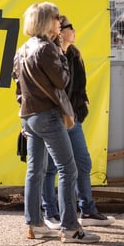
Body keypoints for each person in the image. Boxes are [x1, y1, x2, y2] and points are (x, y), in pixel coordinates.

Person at [12, 2, 100, 243]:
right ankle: (71, 229)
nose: (59, 21)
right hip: (48, 116)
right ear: (44, 21)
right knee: (68, 169)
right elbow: (62, 80)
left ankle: (34, 224)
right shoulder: (47, 49)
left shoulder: (22, 49)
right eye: (55, 17)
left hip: (29, 116)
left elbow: (18, 88)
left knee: (35, 171)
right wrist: (61, 53)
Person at [42, 15, 115, 229]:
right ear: (58, 31)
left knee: (82, 163)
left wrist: (81, 105)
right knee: (51, 168)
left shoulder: (74, 54)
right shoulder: (48, 53)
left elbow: (79, 86)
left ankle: (88, 210)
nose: (74, 30)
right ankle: (50, 212)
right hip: (52, 117)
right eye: (68, 27)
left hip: (71, 118)